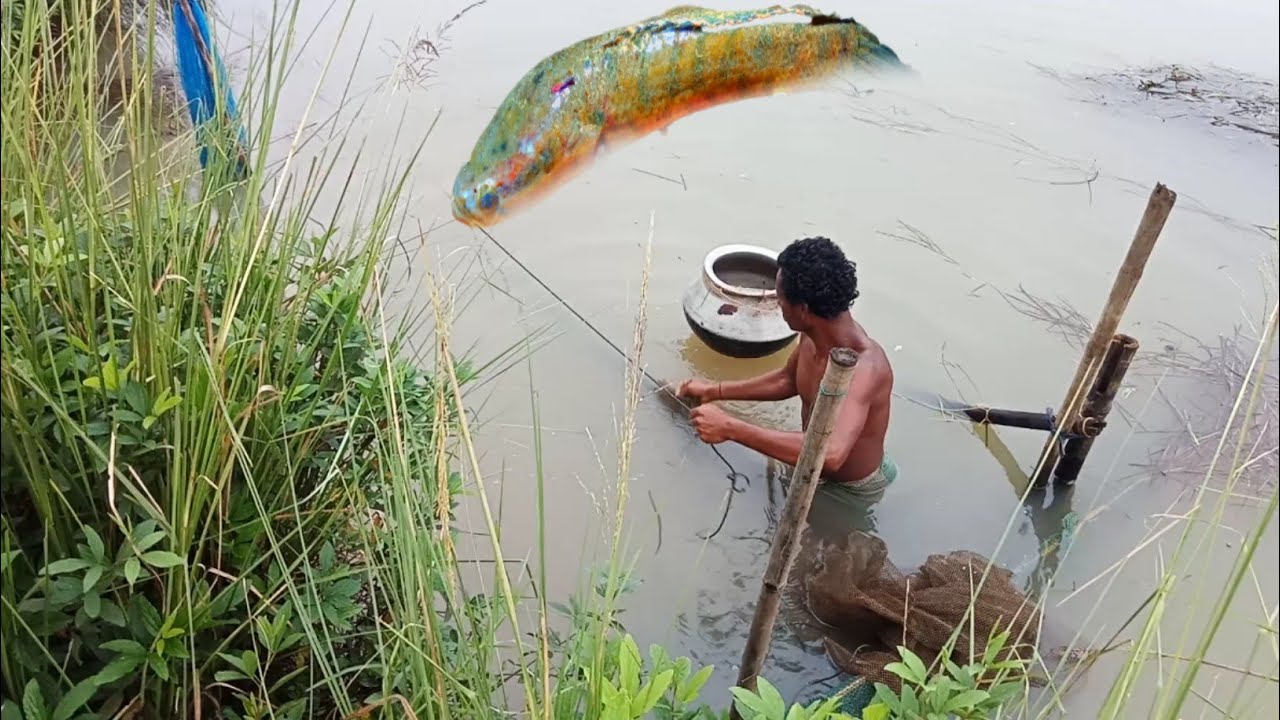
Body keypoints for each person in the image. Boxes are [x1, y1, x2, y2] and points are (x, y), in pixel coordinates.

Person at [675, 236, 897, 515]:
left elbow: (831, 454)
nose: (778, 306)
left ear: (803, 310)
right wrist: (715, 389)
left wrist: (731, 428)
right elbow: (788, 380)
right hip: (811, 464)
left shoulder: (863, 368)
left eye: (780, 300)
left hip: (849, 491)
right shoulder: (813, 335)